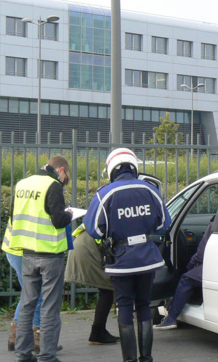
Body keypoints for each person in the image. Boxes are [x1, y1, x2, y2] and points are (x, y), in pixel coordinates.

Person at [84, 148, 171, 362]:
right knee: (143, 305)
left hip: (121, 259)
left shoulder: (105, 194)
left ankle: (129, 359)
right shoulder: (150, 189)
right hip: (147, 259)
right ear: (134, 166)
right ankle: (146, 358)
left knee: (124, 306)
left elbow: (93, 228)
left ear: (111, 169)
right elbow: (164, 224)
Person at [8, 155, 73, 362]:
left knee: (27, 305)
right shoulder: (52, 186)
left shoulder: (22, 184)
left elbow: (14, 215)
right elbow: (58, 220)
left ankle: (23, 355)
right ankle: (47, 356)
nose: (64, 181)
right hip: (50, 255)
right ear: (61, 170)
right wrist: (70, 213)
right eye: (66, 177)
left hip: (27, 253)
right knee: (49, 308)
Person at [154, 216, 215, 330]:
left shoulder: (216, 222)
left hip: (215, 266)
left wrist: (190, 265)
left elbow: (201, 254)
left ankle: (171, 318)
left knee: (186, 278)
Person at [64, 225, 120, 344]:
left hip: (84, 246)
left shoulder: (102, 208)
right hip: (87, 250)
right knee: (108, 288)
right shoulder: (111, 208)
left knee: (107, 289)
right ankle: (97, 333)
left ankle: (99, 332)